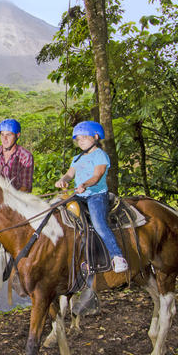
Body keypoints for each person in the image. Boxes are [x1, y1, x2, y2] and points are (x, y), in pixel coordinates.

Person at [55, 121, 128, 315]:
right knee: (60, 215)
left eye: (84, 138)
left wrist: (86, 184)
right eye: (78, 139)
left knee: (98, 223)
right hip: (79, 195)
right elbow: (70, 174)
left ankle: (117, 256)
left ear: (96, 137)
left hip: (96, 195)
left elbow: (97, 176)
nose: (81, 142)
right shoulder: (77, 158)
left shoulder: (100, 155)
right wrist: (64, 180)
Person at [0, 118, 34, 192]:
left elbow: (26, 186)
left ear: (17, 135)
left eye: (8, 135)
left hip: (15, 200)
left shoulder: (25, 156)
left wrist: (10, 199)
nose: (4, 139)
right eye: (2, 135)